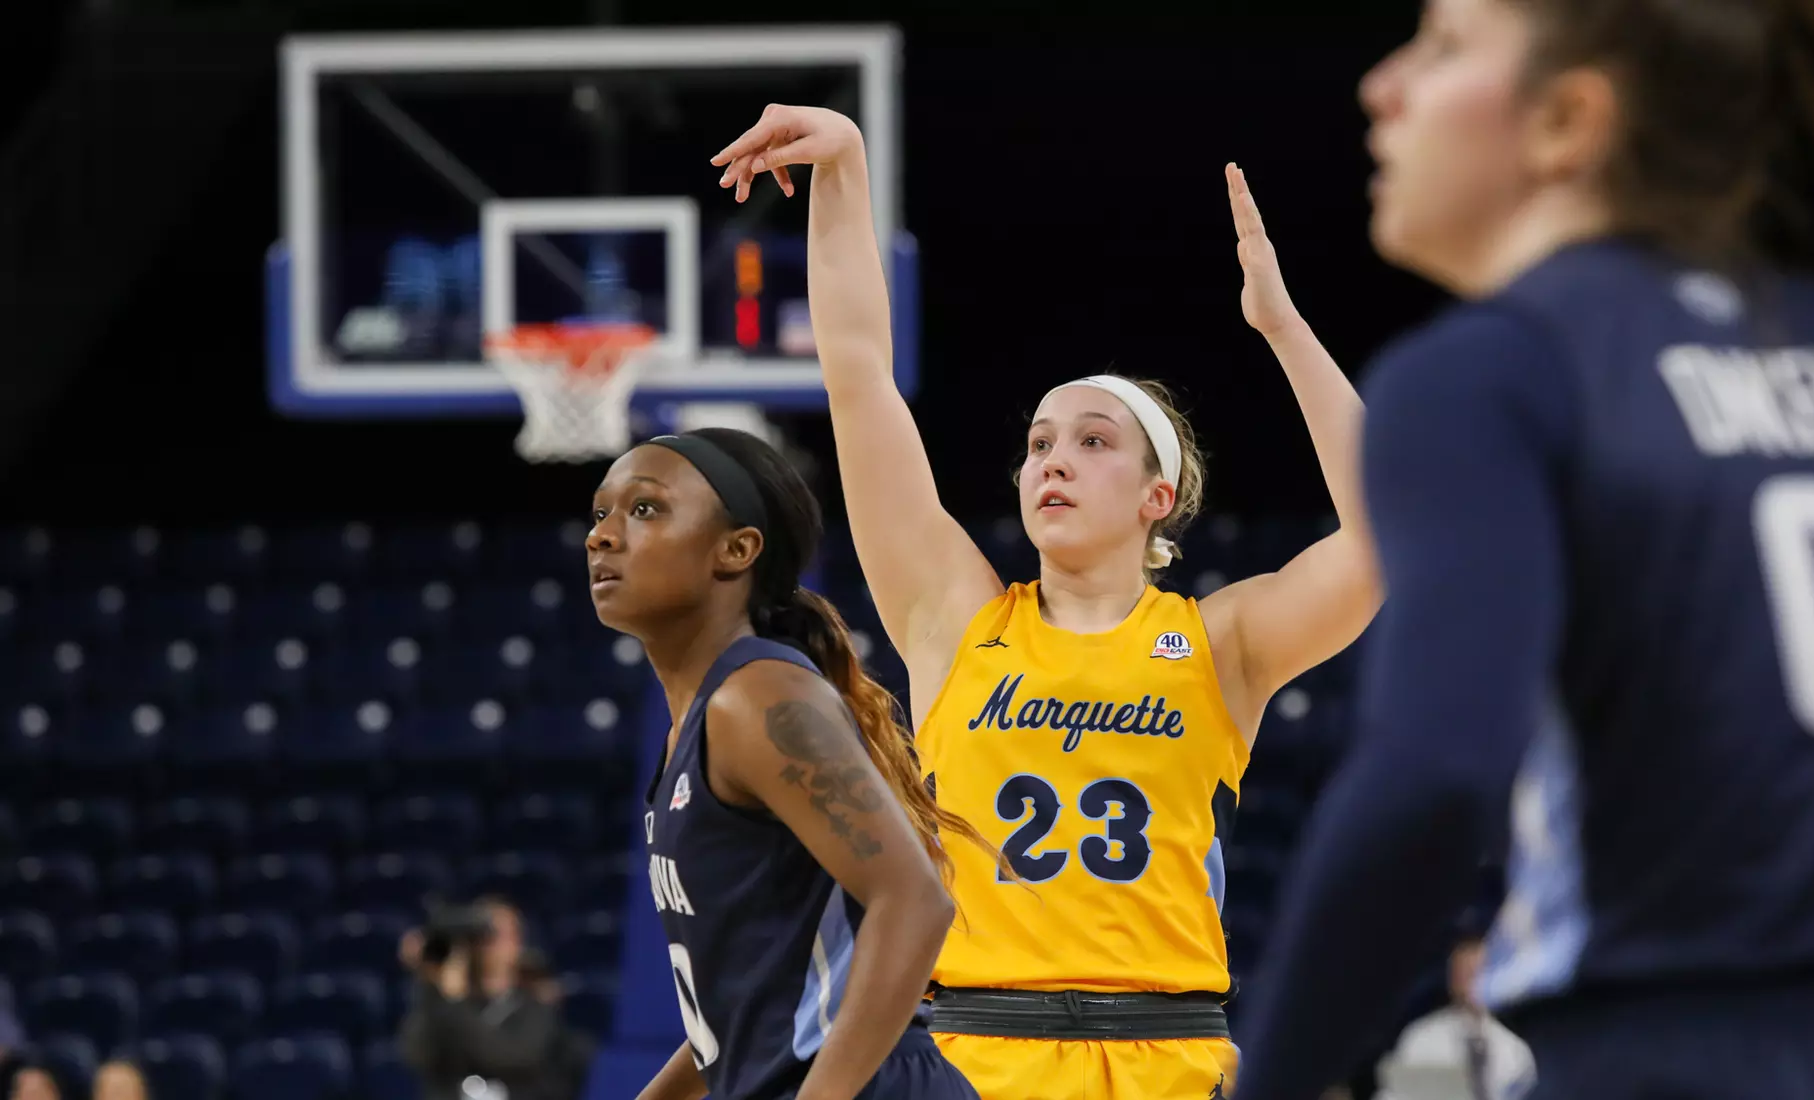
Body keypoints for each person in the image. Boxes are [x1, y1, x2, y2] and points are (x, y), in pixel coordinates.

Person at [1233, 1, 1814, 1098]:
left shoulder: (1493, 370)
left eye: (1443, 47)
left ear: (1567, 122)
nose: (1383, 87)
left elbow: (1434, 778)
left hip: (1660, 1048)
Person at [711, 106, 1381, 1098]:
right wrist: (844, 169)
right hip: (975, 1054)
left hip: (1166, 1059)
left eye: (1092, 441)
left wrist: (1281, 327)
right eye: (1038, 443)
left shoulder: (1220, 642)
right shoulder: (955, 617)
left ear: (1158, 496)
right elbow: (856, 377)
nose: (1052, 459)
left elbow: (1387, 529)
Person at [589, 428, 994, 1100]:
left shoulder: (757, 697)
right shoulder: (704, 719)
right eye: (601, 513)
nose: (601, 536)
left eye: (644, 509)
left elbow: (916, 901)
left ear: (737, 550)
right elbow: (750, 1008)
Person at [398, 897, 571, 1100]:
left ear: (517, 942)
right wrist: (430, 979)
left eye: (493, 934)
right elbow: (416, 1054)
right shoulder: (443, 1001)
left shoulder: (535, 1006)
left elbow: (509, 1056)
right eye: (477, 937)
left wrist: (455, 1002)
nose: (485, 945)